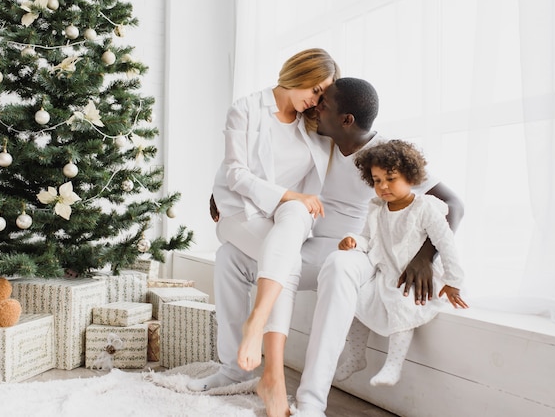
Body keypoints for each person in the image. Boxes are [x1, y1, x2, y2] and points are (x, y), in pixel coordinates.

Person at [190, 78, 464, 417]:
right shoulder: (316, 140)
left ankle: (311, 403)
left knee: (338, 264)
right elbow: (253, 167)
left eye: (325, 105)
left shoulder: (385, 154)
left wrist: (425, 256)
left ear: (347, 119)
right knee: (231, 256)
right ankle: (233, 369)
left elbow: (453, 203)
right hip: (306, 242)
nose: (316, 107)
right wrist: (224, 197)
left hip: (357, 251)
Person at [188, 49, 339, 400]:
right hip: (239, 214)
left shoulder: (314, 127)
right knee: (261, 258)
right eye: (315, 90)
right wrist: (290, 195)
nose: (316, 100)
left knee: (257, 246)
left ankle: (250, 340)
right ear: (298, 73)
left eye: (323, 94)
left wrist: (294, 201)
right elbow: (235, 174)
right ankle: (266, 376)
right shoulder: (246, 109)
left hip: (286, 220)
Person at [329, 139, 468, 389]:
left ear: (411, 177)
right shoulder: (377, 209)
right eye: (377, 180)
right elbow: (369, 239)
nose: (383, 186)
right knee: (358, 301)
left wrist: (453, 281)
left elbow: (446, 244)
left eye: (390, 179)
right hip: (385, 274)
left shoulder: (425, 208)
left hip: (412, 280)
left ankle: (393, 364)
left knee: (402, 305)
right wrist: (354, 241)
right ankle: (356, 355)